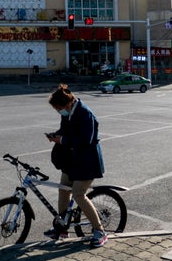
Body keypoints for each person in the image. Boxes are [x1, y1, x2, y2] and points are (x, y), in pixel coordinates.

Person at [44, 84, 107, 248]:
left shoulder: (85, 114)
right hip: (72, 159)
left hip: (87, 161)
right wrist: (56, 135)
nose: (59, 112)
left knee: (79, 194)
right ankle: (62, 227)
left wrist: (62, 140)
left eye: (59, 108)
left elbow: (85, 140)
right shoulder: (68, 113)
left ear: (67, 103)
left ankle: (99, 231)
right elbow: (65, 130)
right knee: (63, 189)